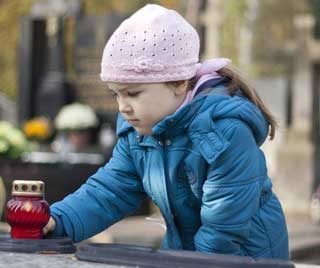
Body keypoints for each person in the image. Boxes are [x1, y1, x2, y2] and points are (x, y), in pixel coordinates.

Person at [43, 4, 289, 260]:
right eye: (116, 94)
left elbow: (224, 225)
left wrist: (190, 263)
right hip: (187, 256)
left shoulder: (224, 131)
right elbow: (109, 192)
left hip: (246, 258)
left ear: (180, 83)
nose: (122, 107)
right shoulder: (138, 134)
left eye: (133, 93)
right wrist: (57, 221)